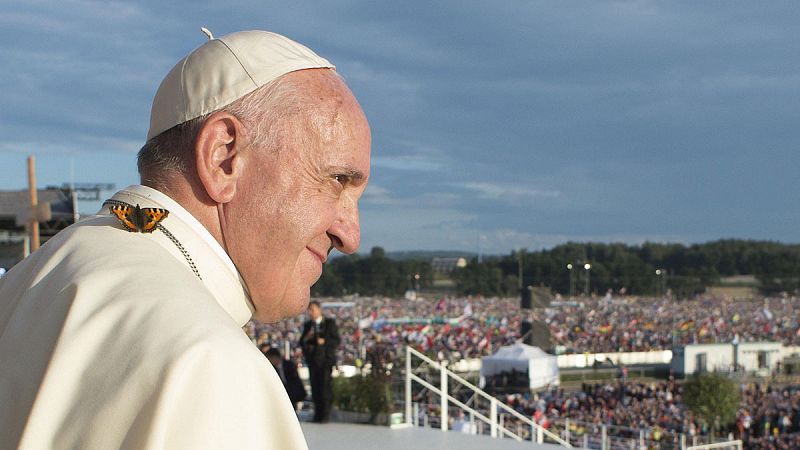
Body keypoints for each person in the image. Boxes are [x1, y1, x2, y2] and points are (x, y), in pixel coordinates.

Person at [0, 29, 370, 449]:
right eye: (337, 180)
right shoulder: (209, 364)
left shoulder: (26, 280)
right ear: (224, 157)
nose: (350, 235)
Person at [300, 301, 340, 423]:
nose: (310, 312)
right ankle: (317, 414)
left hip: (325, 361)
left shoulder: (329, 323)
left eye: (312, 309)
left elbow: (336, 340)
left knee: (325, 388)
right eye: (309, 310)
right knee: (315, 388)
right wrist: (308, 337)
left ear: (319, 310)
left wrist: (324, 341)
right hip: (313, 361)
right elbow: (301, 342)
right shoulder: (308, 325)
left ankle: (325, 415)